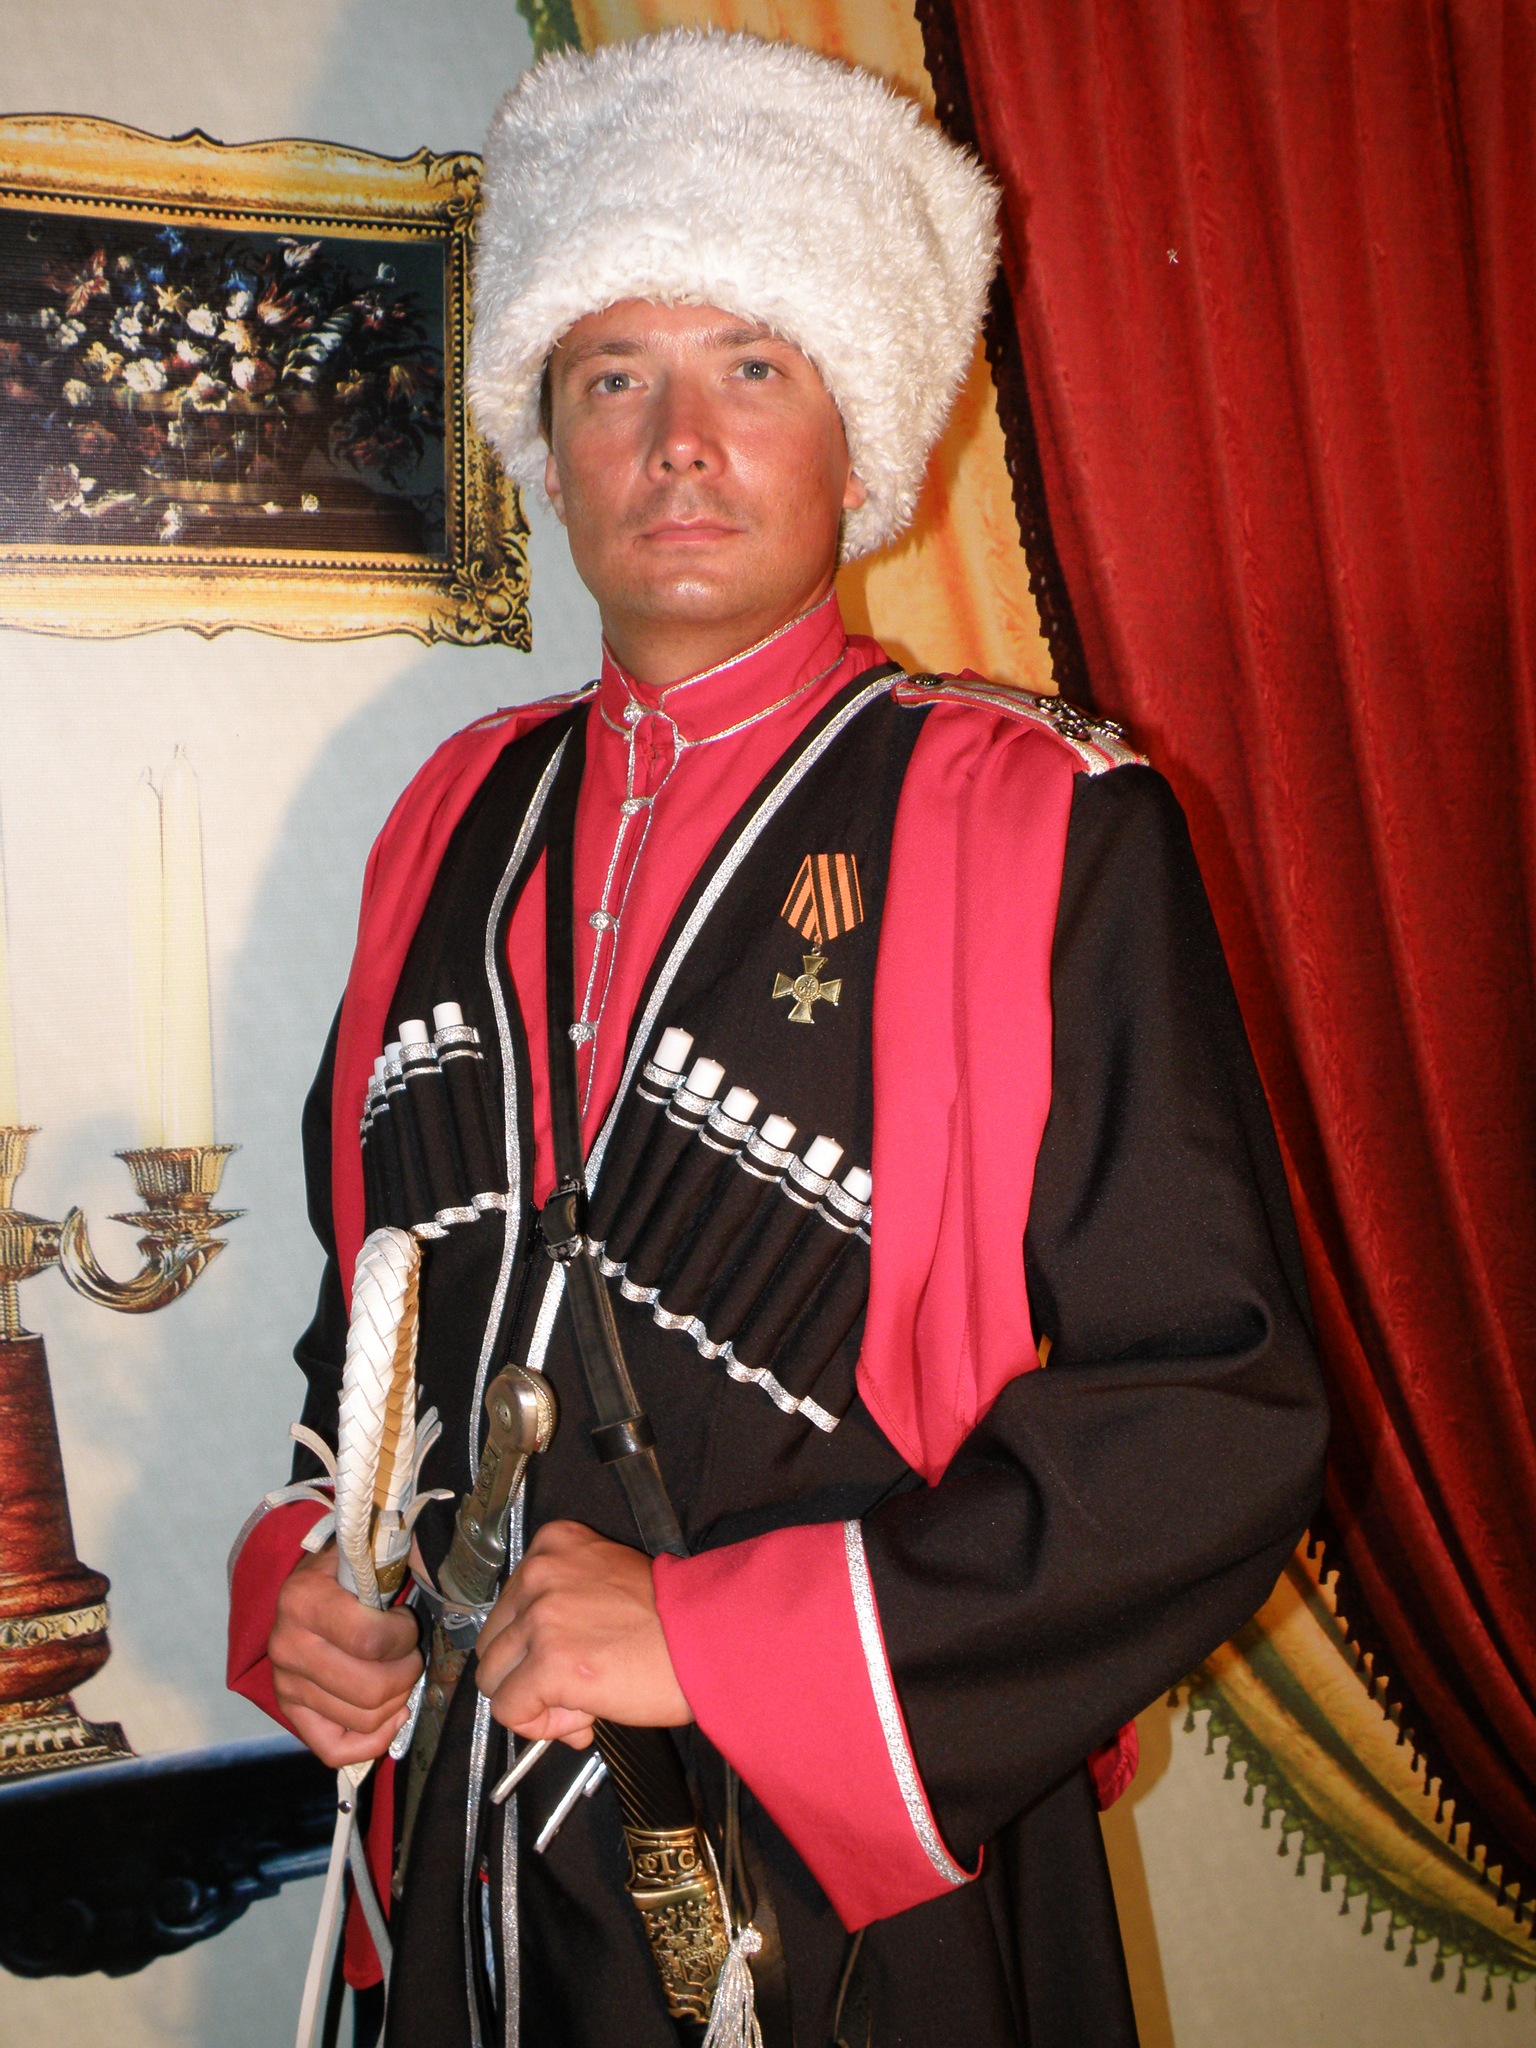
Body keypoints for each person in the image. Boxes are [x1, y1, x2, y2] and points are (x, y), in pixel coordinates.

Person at [227, 30, 1327, 2048]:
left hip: (850, 1898)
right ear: (547, 439)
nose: (677, 443)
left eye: (752, 366)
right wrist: (317, 1574)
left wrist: (714, 1639)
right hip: (464, 1861)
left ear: (859, 434)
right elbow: (365, 1323)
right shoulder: (444, 822)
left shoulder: (1045, 823)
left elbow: (1208, 1415)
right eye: (611, 375)